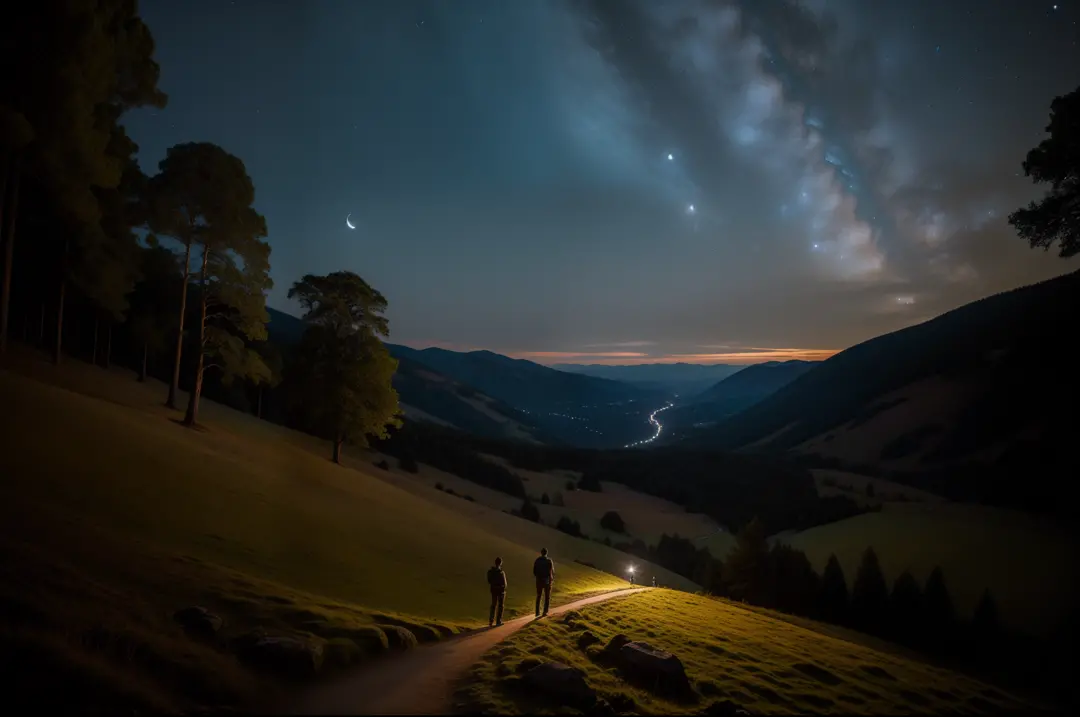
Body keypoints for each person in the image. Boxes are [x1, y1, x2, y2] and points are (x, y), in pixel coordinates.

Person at [532, 547, 555, 617]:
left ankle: (537, 612)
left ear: (541, 552)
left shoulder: (537, 560)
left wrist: (538, 577)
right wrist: (551, 579)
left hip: (539, 580)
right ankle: (545, 611)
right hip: (547, 581)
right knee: (547, 596)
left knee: (539, 596)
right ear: (546, 553)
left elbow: (534, 571)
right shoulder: (549, 561)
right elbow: (552, 571)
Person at [487, 557, 507, 627]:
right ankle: (498, 621)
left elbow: (489, 580)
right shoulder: (502, 572)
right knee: (500, 606)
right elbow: (505, 584)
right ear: (500, 563)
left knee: (493, 605)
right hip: (500, 591)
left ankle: (491, 620)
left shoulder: (491, 571)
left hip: (493, 590)